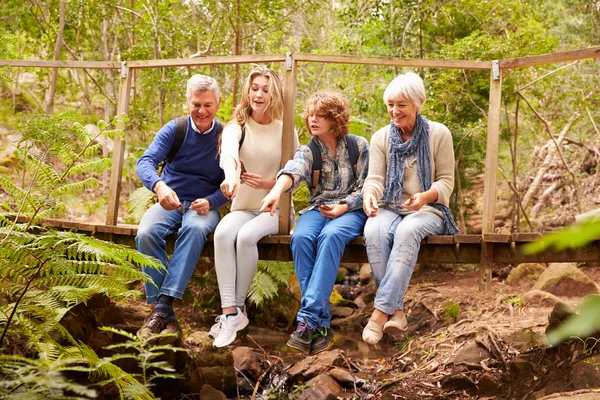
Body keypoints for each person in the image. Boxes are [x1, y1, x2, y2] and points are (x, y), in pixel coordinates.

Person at [261, 91, 369, 355]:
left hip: (351, 210)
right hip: (317, 208)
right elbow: (294, 169)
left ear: (336, 118)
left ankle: (307, 319)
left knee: (330, 237)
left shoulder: (358, 146)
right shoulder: (309, 150)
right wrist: (275, 192)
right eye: (310, 115)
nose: (313, 120)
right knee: (301, 238)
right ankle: (320, 326)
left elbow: (367, 187)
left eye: (320, 115)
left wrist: (343, 207)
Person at [361, 72, 459, 345]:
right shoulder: (381, 137)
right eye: (390, 104)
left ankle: (380, 314)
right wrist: (370, 194)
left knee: (407, 230)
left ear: (419, 102)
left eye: (401, 104)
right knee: (374, 230)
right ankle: (399, 312)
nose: (395, 111)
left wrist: (424, 197)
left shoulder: (439, 134)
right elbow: (375, 180)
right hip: (391, 206)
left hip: (429, 209)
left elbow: (446, 182)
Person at [135, 74, 228, 342]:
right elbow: (145, 162)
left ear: (218, 102)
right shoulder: (174, 130)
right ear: (187, 101)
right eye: (196, 104)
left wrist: (212, 201)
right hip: (171, 201)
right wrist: (160, 187)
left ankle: (160, 311)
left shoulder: (226, 136)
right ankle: (166, 310)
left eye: (207, 104)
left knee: (195, 230)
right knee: (146, 233)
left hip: (204, 206)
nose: (201, 110)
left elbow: (233, 180)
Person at [211, 66, 299, 348]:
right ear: (247, 92)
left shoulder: (286, 132)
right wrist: (231, 177)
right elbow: (229, 156)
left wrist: (266, 184)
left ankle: (238, 308)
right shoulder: (237, 127)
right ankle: (231, 313)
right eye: (254, 88)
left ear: (274, 94)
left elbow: (295, 179)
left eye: (265, 89)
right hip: (243, 207)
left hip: (275, 211)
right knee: (223, 234)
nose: (259, 94)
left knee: (247, 237)